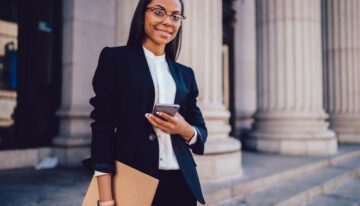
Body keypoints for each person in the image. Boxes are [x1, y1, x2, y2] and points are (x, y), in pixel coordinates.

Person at [83, 0, 207, 205]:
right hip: (134, 178)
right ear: (142, 14)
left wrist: (185, 129)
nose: (168, 22)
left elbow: (200, 128)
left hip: (181, 183)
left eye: (175, 16)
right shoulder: (115, 59)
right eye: (159, 12)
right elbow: (102, 128)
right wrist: (105, 199)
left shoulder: (185, 74)